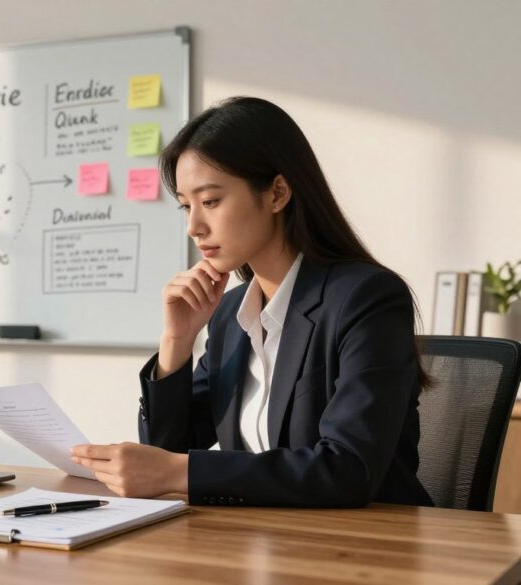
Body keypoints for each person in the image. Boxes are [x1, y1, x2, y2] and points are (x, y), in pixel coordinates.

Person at [70, 97, 433, 507]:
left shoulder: (367, 299)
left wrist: (177, 471)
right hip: (259, 543)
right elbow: (165, 449)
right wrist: (177, 341)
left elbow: (347, 470)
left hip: (364, 550)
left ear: (277, 193)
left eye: (210, 202)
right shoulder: (230, 312)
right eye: (186, 207)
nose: (193, 226)